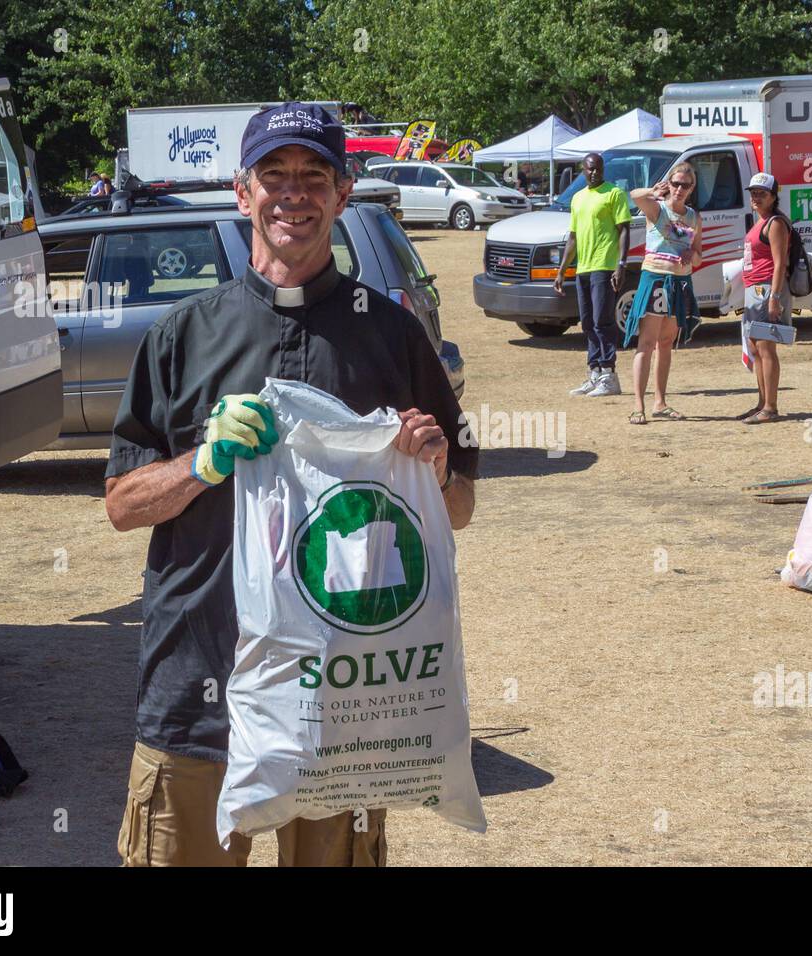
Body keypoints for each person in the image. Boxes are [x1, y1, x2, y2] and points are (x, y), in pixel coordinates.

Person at [103, 102, 477, 867]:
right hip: (197, 688)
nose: (293, 194)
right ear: (243, 193)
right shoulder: (183, 334)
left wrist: (433, 465)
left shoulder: (391, 333)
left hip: (339, 693)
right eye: (274, 175)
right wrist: (201, 464)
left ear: (344, 194)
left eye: (315, 176)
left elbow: (460, 507)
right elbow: (120, 503)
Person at [622, 162, 702, 424]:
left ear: (692, 189)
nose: (679, 189)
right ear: (670, 183)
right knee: (646, 342)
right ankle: (638, 406)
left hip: (679, 282)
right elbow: (633, 195)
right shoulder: (657, 208)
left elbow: (699, 256)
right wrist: (653, 191)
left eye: (685, 185)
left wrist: (693, 255)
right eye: (676, 183)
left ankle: (660, 402)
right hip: (655, 278)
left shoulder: (693, 217)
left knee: (666, 343)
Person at [553, 152, 631, 397]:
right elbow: (573, 237)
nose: (593, 173)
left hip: (604, 266)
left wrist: (621, 264)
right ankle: (595, 372)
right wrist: (562, 270)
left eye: (597, 168)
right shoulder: (577, 198)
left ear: (603, 169)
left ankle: (609, 374)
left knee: (602, 321)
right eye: (589, 169)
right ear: (582, 171)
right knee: (587, 322)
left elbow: (624, 230)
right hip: (583, 268)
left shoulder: (614, 194)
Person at [738, 171, 792, 425]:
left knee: (766, 347)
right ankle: (762, 402)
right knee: (755, 347)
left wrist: (775, 297)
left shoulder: (776, 224)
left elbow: (780, 263)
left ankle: (770, 407)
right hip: (754, 289)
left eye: (762, 193)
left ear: (773, 196)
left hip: (766, 289)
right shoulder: (759, 221)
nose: (756, 197)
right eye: (753, 193)